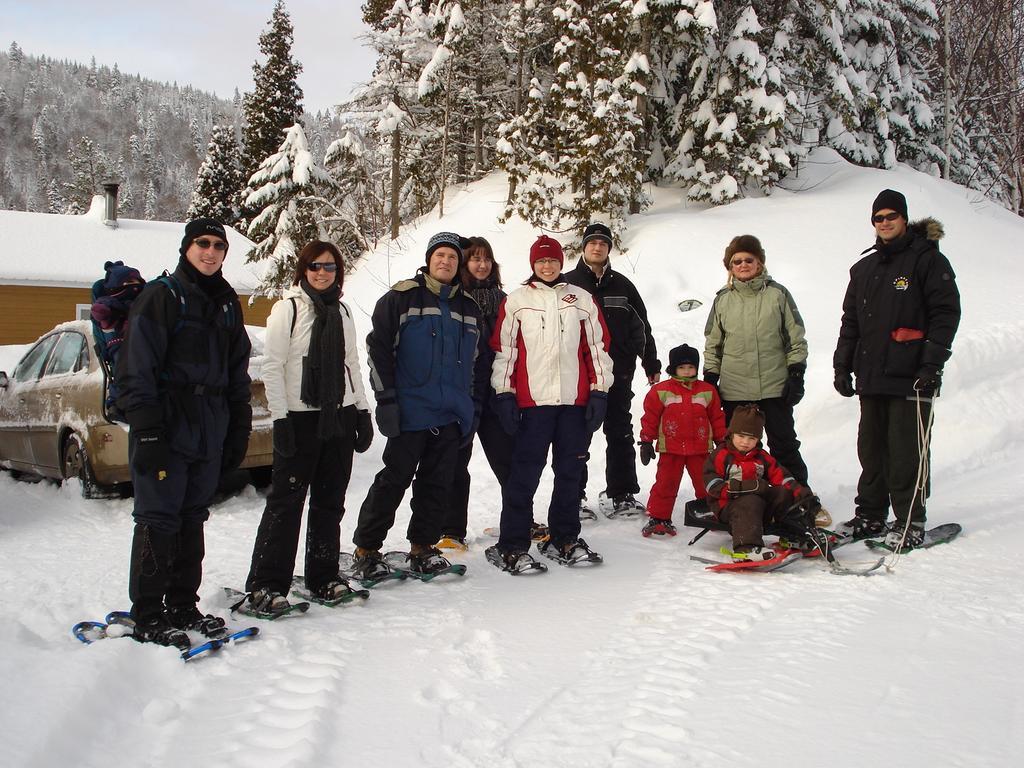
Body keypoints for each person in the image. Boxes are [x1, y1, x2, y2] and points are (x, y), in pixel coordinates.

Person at [116, 218, 252, 647]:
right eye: (202, 244)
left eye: (217, 246)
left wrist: (238, 427)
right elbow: (136, 369)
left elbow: (237, 372)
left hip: (209, 425)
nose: (210, 252)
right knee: (158, 519)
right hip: (167, 424)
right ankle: (148, 613)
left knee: (193, 518)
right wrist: (149, 431)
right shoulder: (162, 296)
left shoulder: (228, 304)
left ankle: (181, 603)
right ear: (186, 248)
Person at [243, 241, 373, 614]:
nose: (321, 272)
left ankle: (324, 576)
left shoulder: (344, 311)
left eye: (329, 267)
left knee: (330, 502)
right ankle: (266, 584)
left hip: (339, 414)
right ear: (303, 269)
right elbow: (273, 366)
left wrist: (362, 410)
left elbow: (351, 363)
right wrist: (280, 417)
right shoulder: (290, 309)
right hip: (300, 418)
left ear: (338, 271)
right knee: (287, 502)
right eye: (315, 266)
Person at [833, 189, 960, 551]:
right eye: (879, 218)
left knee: (907, 452)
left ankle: (909, 521)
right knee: (871, 451)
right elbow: (851, 322)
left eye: (891, 216)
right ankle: (871, 514)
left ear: (904, 218)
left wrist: (932, 363)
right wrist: (843, 364)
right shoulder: (864, 269)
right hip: (872, 375)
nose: (885, 223)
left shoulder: (927, 261)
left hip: (912, 376)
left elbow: (946, 313)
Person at [352, 232, 483, 577]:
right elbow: (378, 350)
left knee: (437, 484)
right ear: (428, 259)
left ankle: (423, 546)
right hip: (410, 411)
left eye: (453, 257)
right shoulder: (400, 298)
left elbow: (474, 364)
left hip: (450, 415)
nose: (446, 262)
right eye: (440, 255)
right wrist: (387, 400)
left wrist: (470, 410)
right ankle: (367, 547)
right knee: (393, 480)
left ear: (459, 264)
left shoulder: (468, 308)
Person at [487, 235, 613, 570]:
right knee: (524, 475)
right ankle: (512, 544)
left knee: (570, 473)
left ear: (561, 262)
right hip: (532, 406)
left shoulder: (580, 299)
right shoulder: (517, 301)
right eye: (541, 261)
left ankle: (564, 538)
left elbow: (596, 349)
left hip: (573, 403)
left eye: (553, 260)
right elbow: (505, 352)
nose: (547, 266)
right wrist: (504, 394)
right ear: (533, 264)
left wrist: (599, 391)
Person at [702, 234, 819, 519]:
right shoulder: (723, 300)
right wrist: (711, 379)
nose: (743, 265)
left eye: (748, 260)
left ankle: (798, 501)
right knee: (736, 452)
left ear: (760, 262)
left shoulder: (777, 294)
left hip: (773, 386)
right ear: (730, 267)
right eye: (736, 261)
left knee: (783, 445)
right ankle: (737, 505)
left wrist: (796, 373)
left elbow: (796, 337)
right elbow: (713, 343)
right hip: (735, 390)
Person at [564, 222, 660, 517]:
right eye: (592, 242)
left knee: (620, 431)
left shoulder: (623, 286)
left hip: (618, 371)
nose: (597, 247)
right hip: (579, 374)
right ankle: (573, 496)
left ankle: (621, 493)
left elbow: (640, 327)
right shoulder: (567, 284)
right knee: (578, 434)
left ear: (609, 249)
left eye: (603, 243)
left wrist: (650, 362)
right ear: (583, 247)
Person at [438, 236, 523, 550]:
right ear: (464, 263)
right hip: (462, 393)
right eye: (475, 258)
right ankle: (451, 530)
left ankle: (519, 520)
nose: (482, 264)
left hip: (497, 392)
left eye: (486, 258)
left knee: (507, 460)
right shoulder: (454, 300)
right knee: (456, 461)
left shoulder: (506, 301)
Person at [702, 404, 816, 561]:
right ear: (731, 433)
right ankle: (746, 548)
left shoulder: (761, 457)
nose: (745, 442)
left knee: (784, 492)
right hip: (726, 506)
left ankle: (794, 536)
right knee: (750, 500)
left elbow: (781, 477)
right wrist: (746, 487)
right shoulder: (721, 455)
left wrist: (800, 493)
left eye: (751, 438)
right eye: (741, 436)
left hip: (759, 507)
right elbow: (712, 485)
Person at [638, 344, 726, 537]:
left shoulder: (707, 391)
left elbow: (717, 418)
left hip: (701, 448)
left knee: (706, 482)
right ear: (673, 369)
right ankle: (659, 517)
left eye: (691, 367)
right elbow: (650, 417)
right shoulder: (660, 391)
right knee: (665, 483)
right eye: (682, 368)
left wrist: (722, 442)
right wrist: (646, 441)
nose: (687, 371)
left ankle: (712, 511)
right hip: (671, 448)